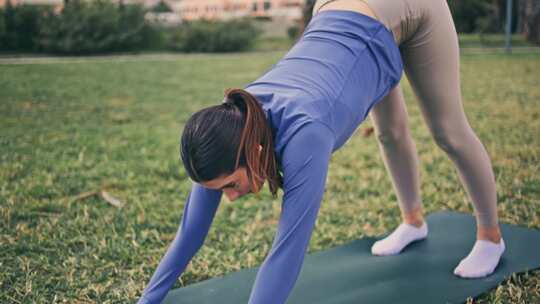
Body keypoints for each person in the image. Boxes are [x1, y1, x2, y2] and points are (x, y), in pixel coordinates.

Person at [137, 0, 505, 303]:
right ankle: (413, 222)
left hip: (407, 8)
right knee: (389, 133)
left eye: (230, 185)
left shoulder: (305, 134)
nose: (229, 198)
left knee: (448, 132)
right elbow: (190, 231)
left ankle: (491, 238)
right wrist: (147, 300)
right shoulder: (229, 123)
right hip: (338, 14)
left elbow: (287, 250)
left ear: (252, 149)